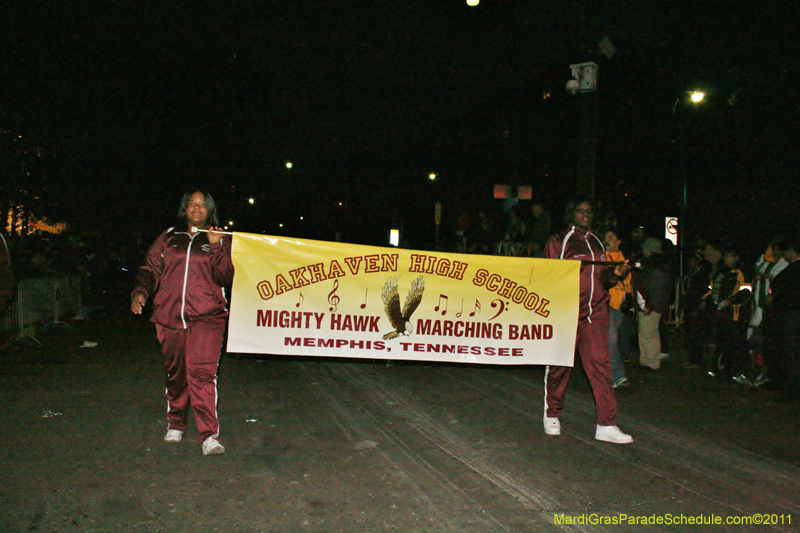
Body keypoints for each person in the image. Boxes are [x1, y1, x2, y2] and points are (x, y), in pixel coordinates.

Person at [131, 189, 234, 456]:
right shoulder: (168, 237)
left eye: (202, 204)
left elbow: (225, 277)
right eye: (192, 204)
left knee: (202, 374)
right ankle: (176, 423)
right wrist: (141, 291)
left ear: (209, 209)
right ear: (184, 208)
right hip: (169, 316)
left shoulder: (220, 238)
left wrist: (215, 245)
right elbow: (151, 268)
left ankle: (209, 436)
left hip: (207, 317)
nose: (197, 208)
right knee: (176, 374)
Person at [542, 198, 633, 444]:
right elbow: (547, 275)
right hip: (568, 310)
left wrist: (615, 274)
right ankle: (552, 413)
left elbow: (603, 279)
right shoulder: (559, 240)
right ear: (571, 213)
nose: (585, 214)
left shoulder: (597, 242)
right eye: (580, 210)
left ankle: (606, 424)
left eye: (589, 211)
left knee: (601, 367)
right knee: (560, 364)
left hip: (596, 312)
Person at [603, 228, 649, 388]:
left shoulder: (626, 260)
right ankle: (618, 376)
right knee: (611, 339)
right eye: (605, 238)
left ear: (618, 241)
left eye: (611, 237)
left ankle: (606, 373)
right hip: (606, 305)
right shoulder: (602, 259)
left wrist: (642, 303)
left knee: (621, 341)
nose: (607, 240)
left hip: (621, 308)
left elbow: (634, 285)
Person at [763, 233, 800, 398]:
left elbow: (783, 289)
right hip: (792, 314)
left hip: (791, 315)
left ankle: (792, 388)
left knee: (790, 351)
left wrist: (774, 299)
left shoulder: (792, 271)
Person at [637, 238, 673, 370]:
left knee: (649, 335)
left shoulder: (654, 268)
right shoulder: (659, 265)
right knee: (646, 333)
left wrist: (650, 305)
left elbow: (656, 289)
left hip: (651, 306)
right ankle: (647, 360)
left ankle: (651, 363)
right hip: (652, 304)